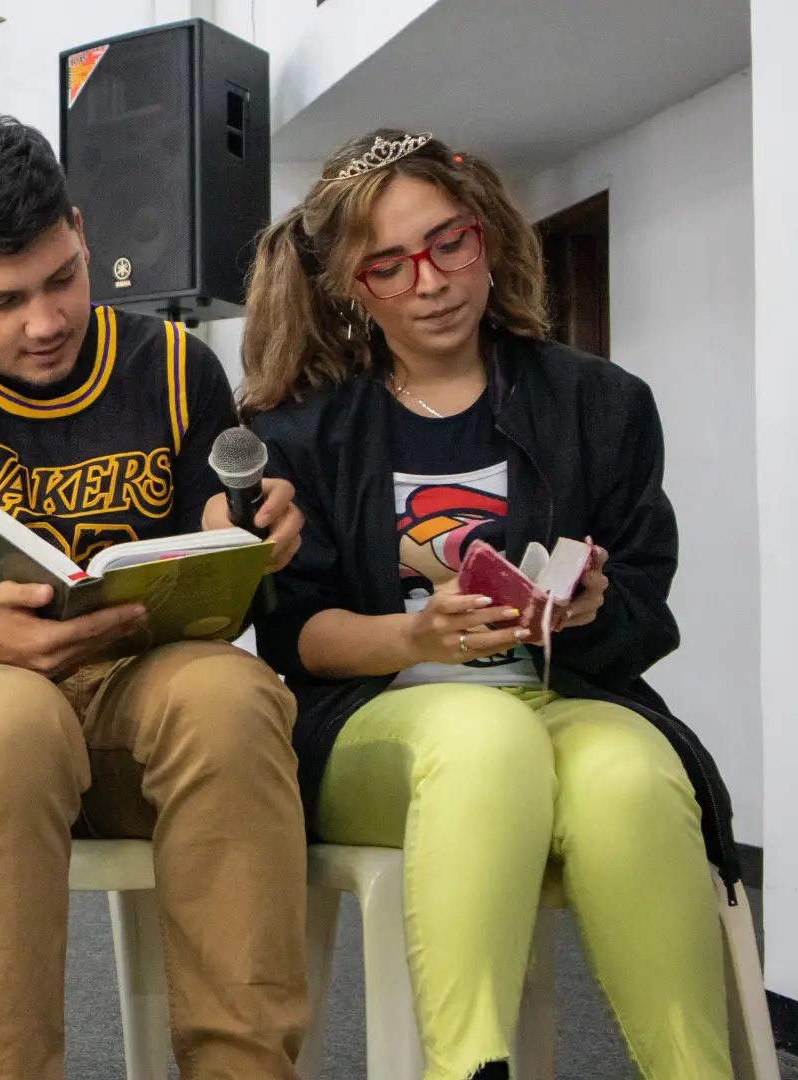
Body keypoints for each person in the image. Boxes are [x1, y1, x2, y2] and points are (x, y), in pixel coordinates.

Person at [0, 116, 309, 1080]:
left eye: (61, 279)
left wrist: (245, 539)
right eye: (2, 301)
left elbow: (222, 563)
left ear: (80, 233)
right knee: (11, 719)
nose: (45, 321)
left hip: (137, 690)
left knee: (232, 696)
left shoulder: (176, 366)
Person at [242, 129, 740, 1080]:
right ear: (351, 288)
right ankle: (468, 1067)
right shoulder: (300, 433)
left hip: (570, 698)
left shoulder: (602, 403)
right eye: (388, 266)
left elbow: (646, 600)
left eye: (448, 244)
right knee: (484, 738)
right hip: (375, 723)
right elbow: (294, 635)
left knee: (635, 776)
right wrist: (411, 632)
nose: (429, 282)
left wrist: (591, 605)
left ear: (491, 237)